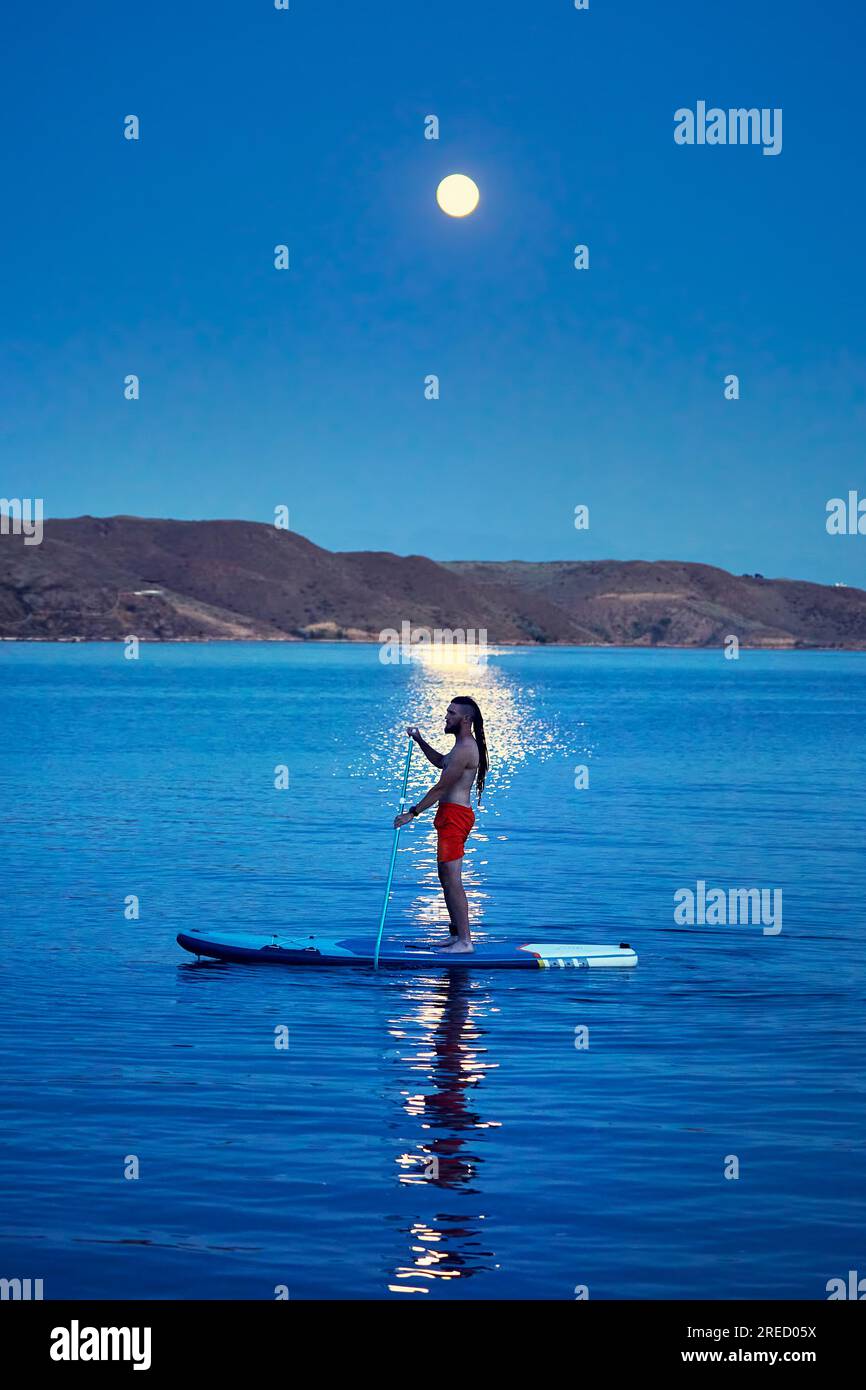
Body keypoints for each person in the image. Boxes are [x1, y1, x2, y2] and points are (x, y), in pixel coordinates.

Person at [393, 697, 488, 953]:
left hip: (455, 818)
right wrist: (420, 740)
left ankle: (465, 942)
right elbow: (441, 762)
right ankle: (456, 935)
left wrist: (412, 813)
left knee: (453, 880)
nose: (446, 716)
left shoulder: (467, 748)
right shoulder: (460, 748)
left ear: (466, 719)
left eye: (451, 712)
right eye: (447, 711)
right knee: (445, 878)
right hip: (449, 815)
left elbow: (442, 786)